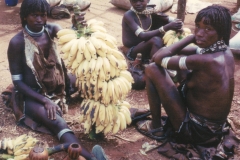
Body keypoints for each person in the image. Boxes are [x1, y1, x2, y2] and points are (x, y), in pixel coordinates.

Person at [6, 0, 107, 159]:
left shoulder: (52, 30)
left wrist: (77, 28)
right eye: (34, 15)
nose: (40, 19)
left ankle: (116, 117)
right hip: (33, 95)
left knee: (92, 81)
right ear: (25, 17)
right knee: (57, 122)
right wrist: (45, 101)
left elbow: (74, 41)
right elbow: (17, 82)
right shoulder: (17, 42)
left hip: (56, 84)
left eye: (43, 15)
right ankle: (92, 158)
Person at [136, 4, 239, 159]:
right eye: (197, 26)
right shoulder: (224, 53)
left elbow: (157, 58)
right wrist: (194, 38)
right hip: (213, 130)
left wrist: (191, 37)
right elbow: (184, 50)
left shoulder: (206, 61)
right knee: (179, 70)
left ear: (221, 34)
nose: (200, 33)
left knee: (152, 69)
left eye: (208, 29)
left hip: (195, 131)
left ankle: (155, 127)